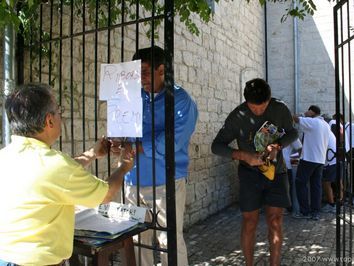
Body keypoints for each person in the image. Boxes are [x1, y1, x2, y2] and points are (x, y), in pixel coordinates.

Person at [0, 83, 134, 265]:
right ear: (49, 121)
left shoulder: (6, 156)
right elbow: (107, 194)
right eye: (59, 111)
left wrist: (91, 154)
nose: (61, 116)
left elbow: (50, 175)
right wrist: (124, 166)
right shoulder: (54, 165)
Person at [124, 46, 198, 266]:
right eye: (136, 73)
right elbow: (125, 131)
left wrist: (138, 147)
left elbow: (172, 141)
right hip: (132, 181)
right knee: (138, 241)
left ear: (162, 70)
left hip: (166, 183)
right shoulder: (132, 97)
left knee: (168, 241)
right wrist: (118, 140)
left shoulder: (181, 101)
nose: (140, 79)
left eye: (145, 72)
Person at [212, 78, 298, 266]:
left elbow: (293, 132)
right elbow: (216, 146)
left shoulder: (280, 109)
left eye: (263, 107)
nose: (258, 111)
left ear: (269, 100)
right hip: (249, 174)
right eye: (253, 107)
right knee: (249, 222)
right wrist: (243, 155)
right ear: (245, 101)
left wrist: (278, 145)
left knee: (275, 221)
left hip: (277, 172)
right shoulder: (238, 115)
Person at [293, 105, 330, 220]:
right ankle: (316, 212)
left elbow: (295, 118)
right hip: (320, 159)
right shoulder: (325, 125)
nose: (306, 112)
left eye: (308, 110)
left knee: (300, 183)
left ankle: (305, 212)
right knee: (316, 186)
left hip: (309, 158)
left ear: (312, 112)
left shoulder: (313, 122)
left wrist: (301, 115)